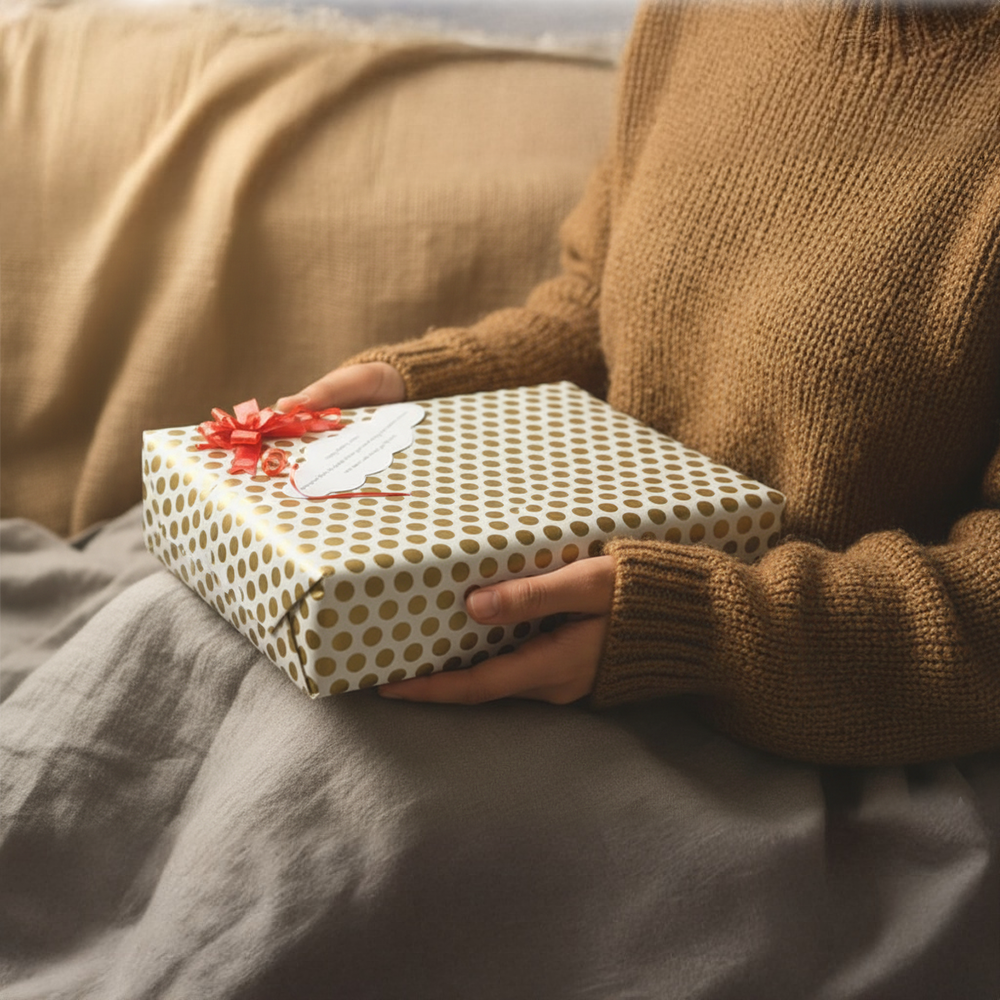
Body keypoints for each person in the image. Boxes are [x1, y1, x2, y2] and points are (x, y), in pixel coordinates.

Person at [277, 0, 1000, 766]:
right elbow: (597, 311)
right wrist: (420, 384)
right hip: (550, 615)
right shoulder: (692, 14)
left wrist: (702, 629)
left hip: (803, 732)